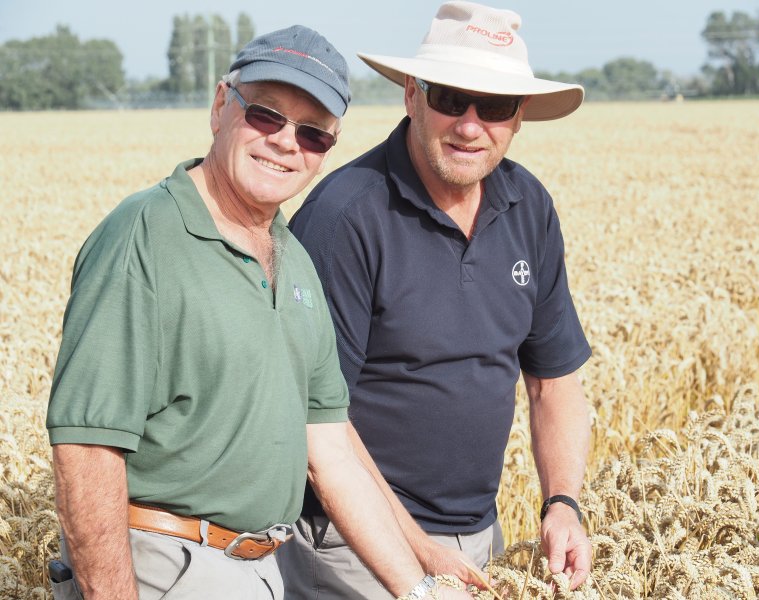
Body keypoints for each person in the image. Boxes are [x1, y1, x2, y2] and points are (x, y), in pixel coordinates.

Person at [45, 25, 473, 600]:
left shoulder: (293, 258)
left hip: (263, 568)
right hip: (166, 566)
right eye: (267, 115)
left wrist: (418, 589)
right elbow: (88, 449)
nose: (285, 142)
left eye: (314, 134)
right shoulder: (144, 235)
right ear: (222, 106)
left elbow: (330, 454)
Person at [279, 2, 593, 598]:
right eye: (450, 98)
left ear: (519, 117)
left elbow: (554, 383)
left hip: (481, 536)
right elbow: (319, 421)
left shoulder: (530, 207)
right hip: (351, 539)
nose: (470, 125)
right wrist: (416, 550)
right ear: (412, 97)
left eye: (494, 106)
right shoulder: (345, 217)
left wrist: (562, 504)